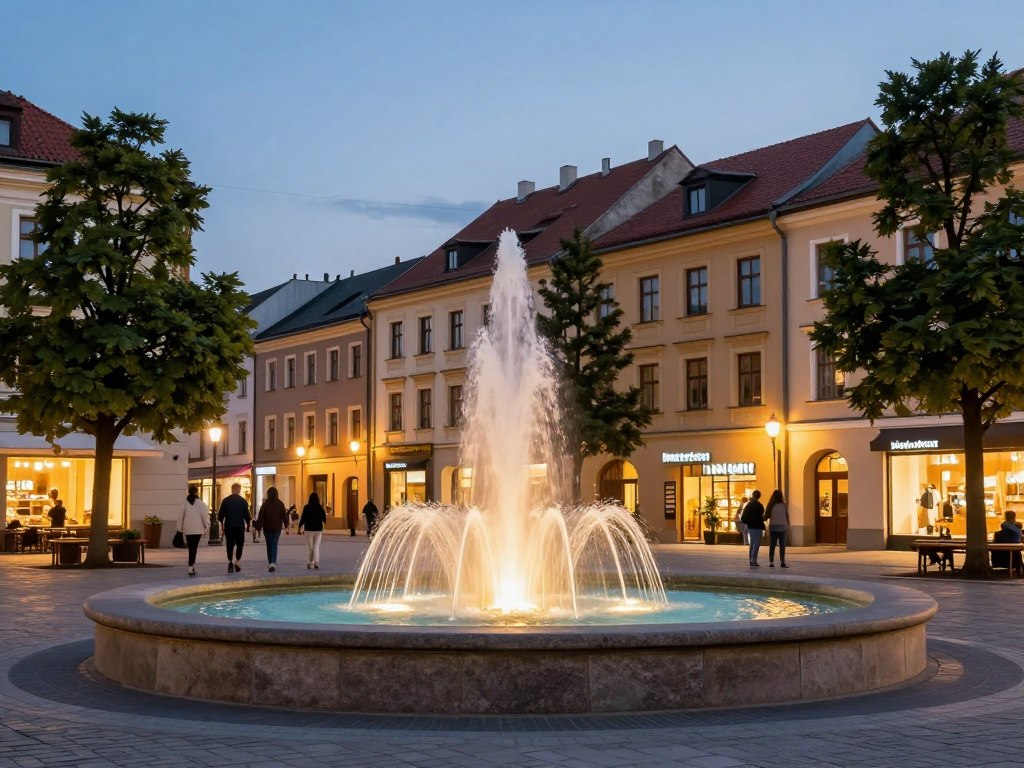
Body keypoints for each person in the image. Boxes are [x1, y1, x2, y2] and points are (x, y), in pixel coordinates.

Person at [217, 482, 251, 573]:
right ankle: (237, 561)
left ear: (232, 489)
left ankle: (230, 562)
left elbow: (220, 516)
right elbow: (247, 516)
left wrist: (222, 527)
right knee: (240, 545)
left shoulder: (225, 501)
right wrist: (248, 525)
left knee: (230, 545)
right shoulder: (243, 501)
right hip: (239, 526)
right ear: (238, 489)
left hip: (229, 527)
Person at [178, 485, 209, 577]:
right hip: (198, 529)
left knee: (191, 548)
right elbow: (205, 517)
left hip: (187, 528)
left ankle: (191, 566)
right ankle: (191, 566)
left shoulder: (184, 503)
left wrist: (180, 528)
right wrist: (206, 526)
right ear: (197, 492)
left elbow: (180, 517)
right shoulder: (201, 504)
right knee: (194, 548)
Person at [256, 487, 289, 571]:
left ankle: (271, 562)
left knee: (269, 544)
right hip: (277, 528)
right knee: (274, 544)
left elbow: (261, 516)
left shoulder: (265, 504)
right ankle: (273, 562)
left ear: (268, 494)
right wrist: (286, 525)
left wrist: (258, 527)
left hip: (267, 528)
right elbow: (284, 515)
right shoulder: (280, 503)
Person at [298, 491, 327, 569]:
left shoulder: (306, 507)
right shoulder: (320, 507)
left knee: (310, 547)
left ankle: (310, 562)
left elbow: (303, 518)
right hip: (318, 529)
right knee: (316, 546)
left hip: (308, 529)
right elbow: (324, 519)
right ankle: (316, 562)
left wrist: (299, 527)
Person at [763, 489, 790, 568]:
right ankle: (782, 562)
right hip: (782, 527)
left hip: (773, 527)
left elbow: (766, 516)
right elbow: (786, 516)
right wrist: (788, 525)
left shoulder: (771, 505)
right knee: (782, 546)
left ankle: (771, 562)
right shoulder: (783, 505)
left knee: (772, 545)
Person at [740, 490, 766, 567]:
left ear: (753, 495)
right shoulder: (759, 505)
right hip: (758, 526)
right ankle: (753, 560)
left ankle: (751, 559)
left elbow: (743, 517)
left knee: (752, 543)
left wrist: (748, 522)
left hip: (751, 526)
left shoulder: (749, 505)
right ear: (759, 496)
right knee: (756, 543)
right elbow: (761, 515)